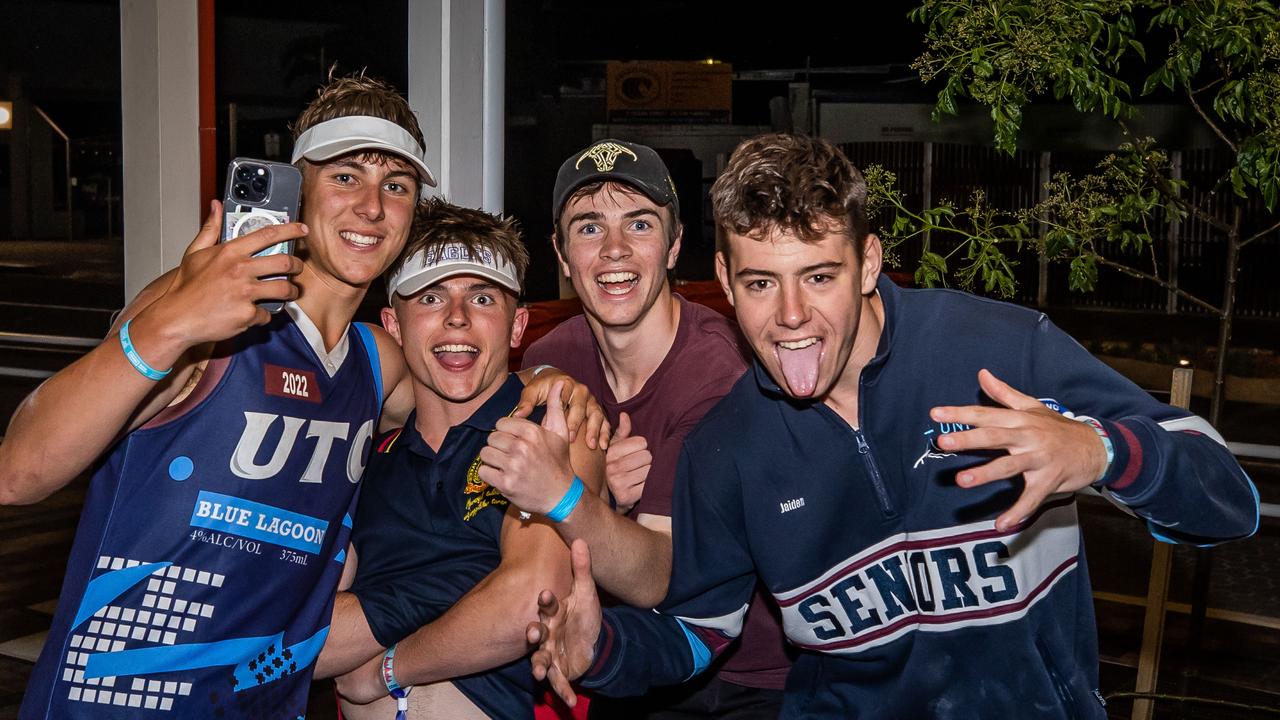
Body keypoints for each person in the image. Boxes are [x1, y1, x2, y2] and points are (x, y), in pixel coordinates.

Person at [524, 133, 1260, 719]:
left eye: (819, 276)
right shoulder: (731, 447)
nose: (789, 318)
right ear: (723, 279)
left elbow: (1227, 498)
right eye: (759, 284)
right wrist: (605, 647)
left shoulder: (996, 350)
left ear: (868, 262)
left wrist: (1098, 450)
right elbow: (700, 630)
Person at [3, 74, 600, 720]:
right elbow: (21, 469)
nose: (372, 207)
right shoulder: (200, 312)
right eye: (346, 176)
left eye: (396, 186)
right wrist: (171, 321)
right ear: (298, 188)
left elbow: (466, 383)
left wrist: (547, 379)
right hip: (120, 703)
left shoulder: (376, 364)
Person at [496, 138, 792, 718]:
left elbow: (657, 575)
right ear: (560, 251)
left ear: (675, 244)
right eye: (587, 228)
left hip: (746, 676)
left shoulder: (717, 375)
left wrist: (571, 494)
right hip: (620, 654)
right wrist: (543, 376)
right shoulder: (557, 353)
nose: (613, 251)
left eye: (638, 224)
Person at [312, 198, 604, 720]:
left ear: (517, 328)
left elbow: (526, 603)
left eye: (483, 298)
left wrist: (384, 667)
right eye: (430, 297)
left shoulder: (554, 427)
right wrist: (469, 578)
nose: (456, 318)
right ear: (393, 325)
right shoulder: (367, 456)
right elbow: (300, 638)